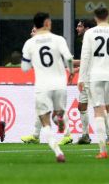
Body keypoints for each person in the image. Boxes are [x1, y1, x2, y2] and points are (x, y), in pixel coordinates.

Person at [21, 13, 75, 163]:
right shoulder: (59, 40)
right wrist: (71, 72)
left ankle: (58, 152)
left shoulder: (30, 43)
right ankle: (59, 116)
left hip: (43, 86)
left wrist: (34, 60)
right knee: (58, 113)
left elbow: (25, 68)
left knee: (45, 121)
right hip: (60, 85)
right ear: (46, 23)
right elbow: (69, 58)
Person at [78, 7, 109, 159]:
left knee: (99, 111)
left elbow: (85, 56)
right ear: (108, 16)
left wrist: (81, 78)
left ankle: (102, 151)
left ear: (95, 18)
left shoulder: (90, 33)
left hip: (95, 76)